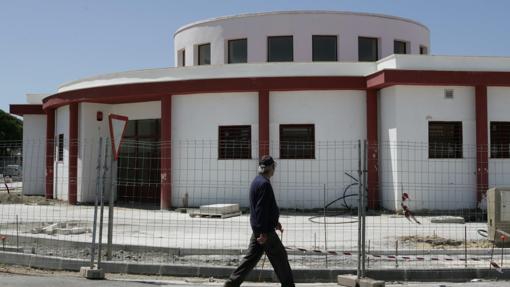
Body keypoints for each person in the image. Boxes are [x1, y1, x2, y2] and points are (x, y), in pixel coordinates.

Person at [224, 155, 295, 287]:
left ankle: (231, 284)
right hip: (265, 232)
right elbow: (261, 210)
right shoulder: (264, 184)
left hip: (259, 230)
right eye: (274, 167)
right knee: (280, 258)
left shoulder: (257, 181)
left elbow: (264, 208)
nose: (275, 169)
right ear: (270, 168)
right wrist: (263, 232)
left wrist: (275, 223)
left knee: (249, 261)